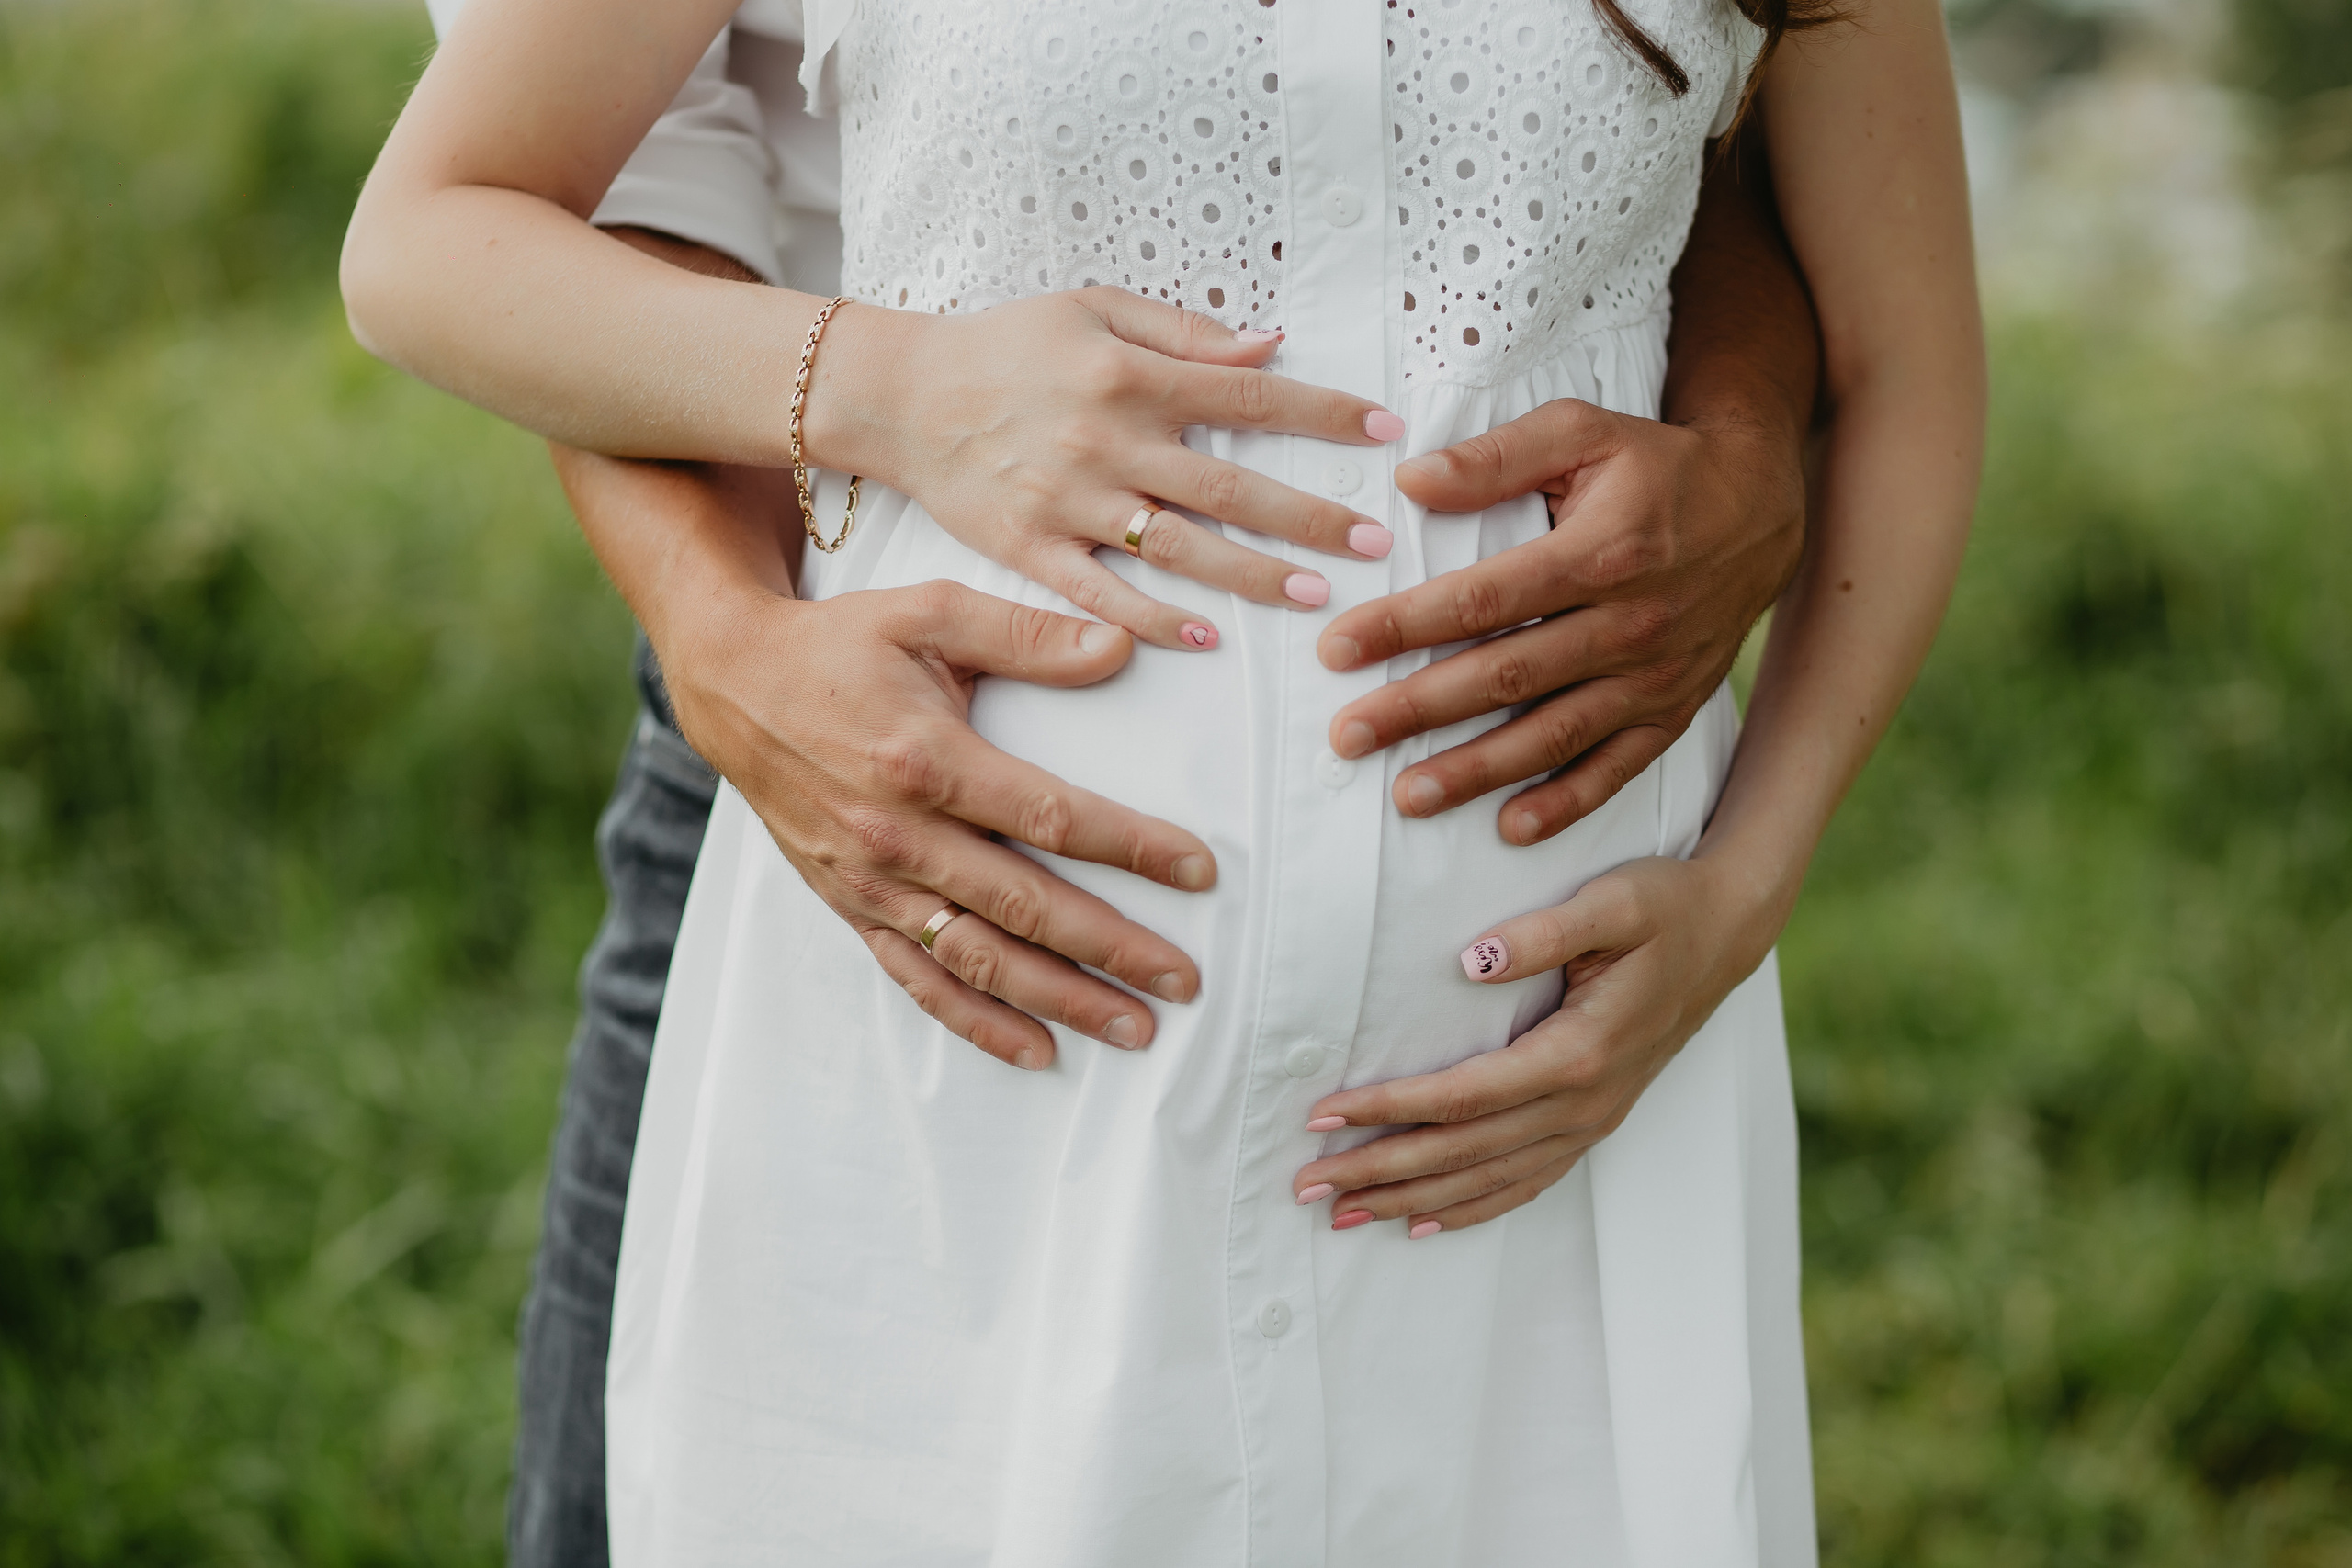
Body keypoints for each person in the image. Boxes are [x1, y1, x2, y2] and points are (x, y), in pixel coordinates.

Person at [345, 0, 1982, 1556]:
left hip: (1550, 1122)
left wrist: (1746, 884)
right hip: (956, 1010)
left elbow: (1859, 304)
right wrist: (866, 439)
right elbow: (462, 222)